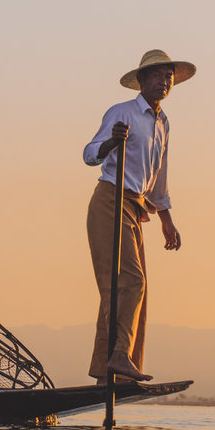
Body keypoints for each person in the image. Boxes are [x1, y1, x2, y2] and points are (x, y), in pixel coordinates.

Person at [83, 49, 196, 382]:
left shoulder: (163, 123)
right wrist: (110, 144)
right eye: (158, 75)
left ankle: (110, 372)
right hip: (109, 200)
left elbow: (159, 176)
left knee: (125, 290)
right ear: (143, 80)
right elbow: (90, 153)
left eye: (169, 77)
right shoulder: (123, 113)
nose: (164, 81)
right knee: (128, 283)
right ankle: (119, 357)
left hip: (135, 206)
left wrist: (166, 219)